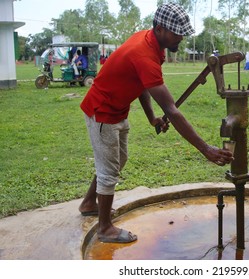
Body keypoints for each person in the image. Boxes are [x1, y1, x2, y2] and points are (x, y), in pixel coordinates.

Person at [78, 3, 234, 244]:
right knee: (109, 170)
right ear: (160, 29)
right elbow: (172, 109)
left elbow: (141, 83)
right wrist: (206, 149)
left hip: (117, 110)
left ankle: (89, 202)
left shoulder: (154, 45)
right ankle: (105, 228)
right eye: (177, 32)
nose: (181, 37)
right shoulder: (143, 53)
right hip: (102, 112)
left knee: (118, 160)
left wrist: (152, 118)